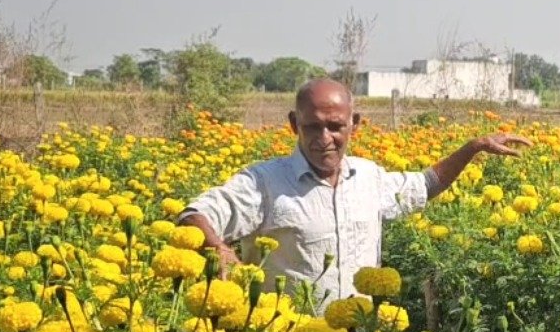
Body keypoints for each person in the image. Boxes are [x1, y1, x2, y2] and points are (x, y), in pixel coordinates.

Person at [178, 78, 530, 309]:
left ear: (355, 124)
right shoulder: (265, 183)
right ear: (293, 124)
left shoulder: (368, 177)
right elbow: (195, 213)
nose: (324, 137)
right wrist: (218, 249)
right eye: (312, 126)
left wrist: (473, 147)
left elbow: (425, 184)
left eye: (335, 126)